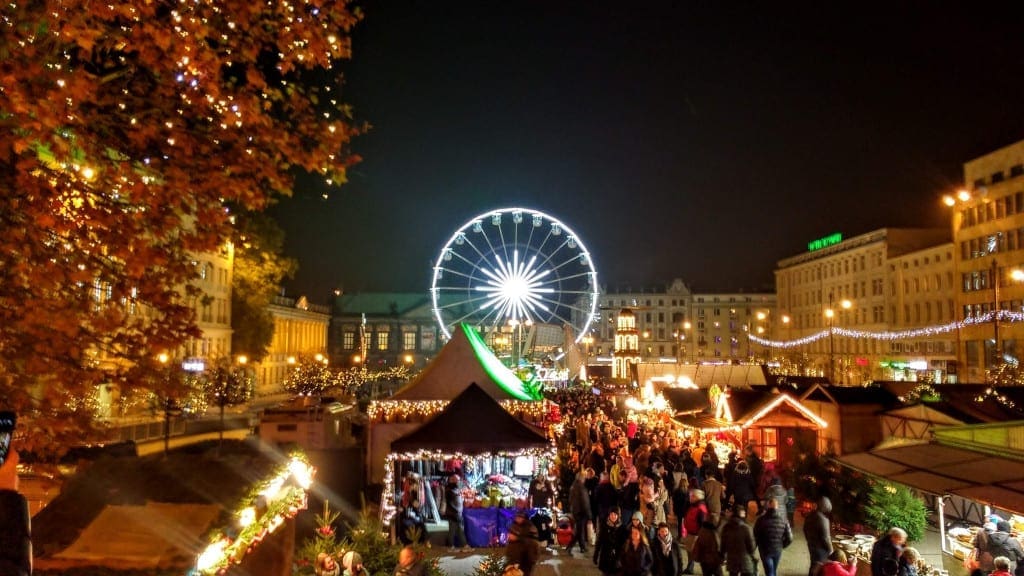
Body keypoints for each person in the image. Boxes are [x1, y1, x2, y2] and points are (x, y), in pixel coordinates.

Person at [753, 497, 792, 576]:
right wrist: (782, 545)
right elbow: (790, 538)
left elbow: (755, 535)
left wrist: (755, 546)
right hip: (777, 549)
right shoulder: (784, 520)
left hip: (765, 549)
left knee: (770, 571)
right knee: (773, 569)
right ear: (777, 507)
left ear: (768, 506)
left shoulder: (761, 520)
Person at [720, 506, 757, 576]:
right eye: (743, 511)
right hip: (745, 560)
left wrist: (722, 555)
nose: (745, 512)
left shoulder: (726, 527)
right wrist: (752, 555)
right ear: (740, 513)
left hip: (731, 560)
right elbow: (751, 546)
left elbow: (723, 545)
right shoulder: (746, 528)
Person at [804, 496, 834, 576]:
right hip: (821, 549)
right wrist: (831, 550)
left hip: (811, 545)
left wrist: (809, 540)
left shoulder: (810, 515)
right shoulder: (823, 520)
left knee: (813, 564)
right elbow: (826, 538)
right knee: (817, 568)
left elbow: (804, 529)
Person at [681, 489, 708, 574]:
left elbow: (702, 523)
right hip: (690, 533)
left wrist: (700, 535)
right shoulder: (693, 506)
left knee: (698, 554)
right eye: (690, 496)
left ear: (697, 497)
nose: (690, 498)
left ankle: (706, 570)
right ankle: (690, 568)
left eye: (692, 496)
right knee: (690, 552)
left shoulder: (700, 508)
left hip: (696, 535)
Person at [566, 470, 593, 554]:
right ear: (582, 478)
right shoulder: (581, 488)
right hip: (581, 512)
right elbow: (585, 502)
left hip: (575, 511)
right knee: (580, 530)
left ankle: (581, 547)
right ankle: (571, 546)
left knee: (579, 530)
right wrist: (589, 515)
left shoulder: (573, 486)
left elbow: (570, 499)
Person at [506, 509, 540, 576]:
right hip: (513, 558)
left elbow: (533, 542)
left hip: (525, 559)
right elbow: (511, 537)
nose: (517, 519)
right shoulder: (514, 525)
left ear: (523, 518)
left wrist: (518, 538)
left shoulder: (529, 527)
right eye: (516, 517)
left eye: (519, 517)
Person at [594, 506, 626, 575]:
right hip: (605, 557)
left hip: (617, 558)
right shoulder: (604, 526)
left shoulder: (622, 528)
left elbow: (624, 545)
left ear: (618, 515)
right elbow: (599, 541)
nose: (613, 516)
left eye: (615, 514)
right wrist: (596, 554)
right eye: (611, 514)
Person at [444, 475, 470, 551]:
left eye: (459, 480)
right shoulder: (449, 490)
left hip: (457, 514)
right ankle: (450, 547)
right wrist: (456, 512)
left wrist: (464, 483)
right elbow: (451, 503)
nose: (459, 482)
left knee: (460, 530)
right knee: (452, 531)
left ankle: (465, 546)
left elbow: (465, 485)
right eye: (457, 480)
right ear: (452, 481)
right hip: (453, 514)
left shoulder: (455, 488)